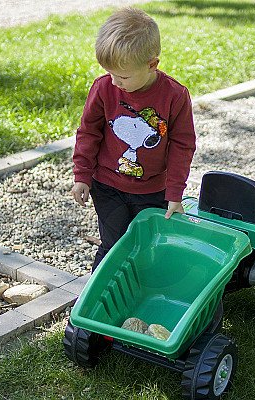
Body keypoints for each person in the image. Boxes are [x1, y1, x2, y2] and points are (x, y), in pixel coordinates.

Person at [71, 7, 196, 272]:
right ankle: (96, 307)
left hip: (152, 191)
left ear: (152, 64)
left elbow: (182, 146)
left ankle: (140, 297)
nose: (116, 82)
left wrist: (175, 193)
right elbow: (88, 132)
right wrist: (82, 175)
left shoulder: (175, 96)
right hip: (106, 186)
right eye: (110, 73)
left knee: (148, 247)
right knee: (113, 245)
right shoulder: (104, 88)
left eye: (123, 76)